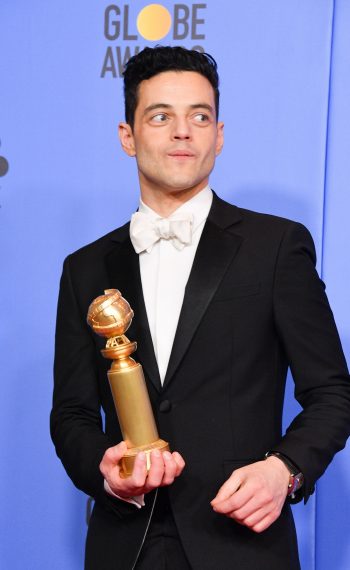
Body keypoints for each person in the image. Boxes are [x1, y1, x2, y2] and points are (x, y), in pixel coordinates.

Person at [51, 46, 350, 570]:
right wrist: (103, 470)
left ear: (219, 135)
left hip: (241, 542)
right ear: (128, 136)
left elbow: (332, 393)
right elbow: (72, 413)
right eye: (160, 115)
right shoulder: (85, 267)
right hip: (125, 545)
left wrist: (285, 470)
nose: (183, 131)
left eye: (200, 116)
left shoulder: (275, 246)